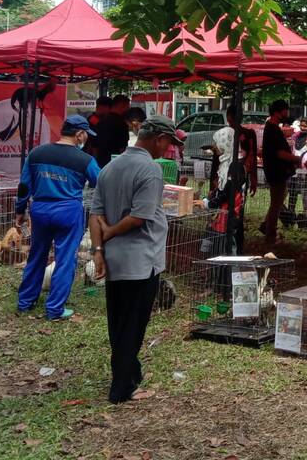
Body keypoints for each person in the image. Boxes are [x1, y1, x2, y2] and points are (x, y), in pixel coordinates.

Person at [89, 116, 181, 404]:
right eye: (168, 143)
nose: (168, 150)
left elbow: (95, 213)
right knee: (134, 324)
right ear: (157, 139)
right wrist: (113, 232)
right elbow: (140, 218)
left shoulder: (109, 167)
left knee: (118, 321)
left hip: (115, 259)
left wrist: (99, 249)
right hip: (142, 259)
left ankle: (131, 370)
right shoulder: (151, 171)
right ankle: (122, 388)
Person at [14, 115, 100, 321]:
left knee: (36, 255)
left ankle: (25, 302)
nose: (86, 138)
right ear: (79, 134)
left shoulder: (37, 153)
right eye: (85, 135)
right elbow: (101, 181)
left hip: (40, 209)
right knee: (65, 260)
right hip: (68, 211)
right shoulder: (85, 160)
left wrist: (20, 210)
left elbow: (24, 185)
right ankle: (54, 309)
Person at [208, 108, 259, 255]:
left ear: (229, 116)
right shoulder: (227, 136)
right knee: (223, 219)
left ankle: (231, 250)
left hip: (236, 180)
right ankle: (222, 249)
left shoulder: (239, 135)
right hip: (233, 179)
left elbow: (252, 155)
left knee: (232, 219)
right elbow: (218, 161)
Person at [260, 99, 301, 245]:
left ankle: (266, 225)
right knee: (276, 203)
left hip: (274, 171)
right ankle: (271, 234)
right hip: (277, 172)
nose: (287, 113)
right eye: (286, 110)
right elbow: (280, 154)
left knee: (277, 200)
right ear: (279, 111)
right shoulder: (273, 129)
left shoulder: (270, 127)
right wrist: (297, 158)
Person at [285, 131, 307, 229]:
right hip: (303, 179)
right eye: (306, 139)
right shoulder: (304, 153)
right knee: (304, 198)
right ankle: (304, 221)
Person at [94, 94, 131, 168]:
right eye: (127, 107)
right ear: (122, 106)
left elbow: (95, 146)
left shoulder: (101, 121)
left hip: (100, 163)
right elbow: (122, 148)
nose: (128, 110)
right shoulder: (121, 124)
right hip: (115, 164)